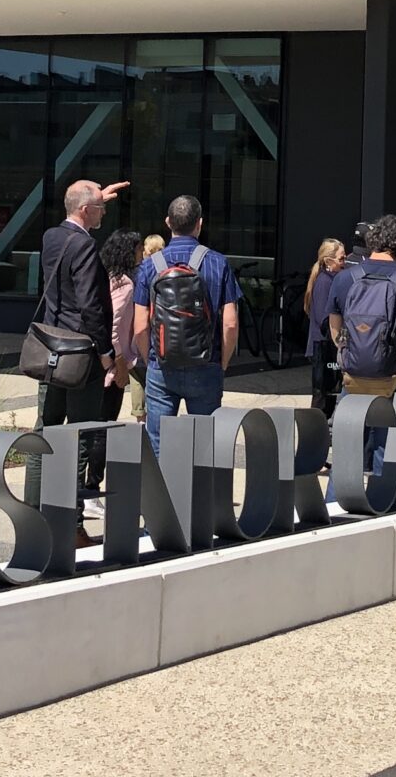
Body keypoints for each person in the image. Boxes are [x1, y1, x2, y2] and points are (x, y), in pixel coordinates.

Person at [37, 179, 129, 529]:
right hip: (81, 353)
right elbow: (91, 305)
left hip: (51, 348)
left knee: (47, 428)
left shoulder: (51, 237)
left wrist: (92, 200)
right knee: (80, 434)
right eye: (100, 208)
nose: (104, 212)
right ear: (86, 211)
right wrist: (107, 354)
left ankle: (39, 508)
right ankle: (70, 523)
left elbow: (79, 210)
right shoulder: (87, 246)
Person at [134, 195, 243, 452]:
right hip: (206, 365)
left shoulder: (150, 266)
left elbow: (140, 326)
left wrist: (151, 358)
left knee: (159, 443)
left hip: (162, 366)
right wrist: (222, 362)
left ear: (168, 222)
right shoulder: (218, 263)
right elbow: (229, 324)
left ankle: (164, 492)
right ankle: (198, 492)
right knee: (204, 446)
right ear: (200, 224)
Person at [326, 215, 396, 465]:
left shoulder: (344, 279)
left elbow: (336, 335)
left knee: (347, 459)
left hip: (354, 380)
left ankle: (337, 501)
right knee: (391, 460)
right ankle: (387, 501)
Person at [100, 227, 144, 426]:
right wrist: (119, 363)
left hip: (98, 359)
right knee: (105, 422)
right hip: (112, 365)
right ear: (128, 252)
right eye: (139, 249)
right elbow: (113, 325)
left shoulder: (103, 276)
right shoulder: (124, 283)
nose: (142, 254)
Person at [305, 235, 351, 418]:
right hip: (324, 345)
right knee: (323, 393)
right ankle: (317, 430)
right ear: (329, 261)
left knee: (330, 391)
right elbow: (324, 319)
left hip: (326, 344)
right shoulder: (325, 282)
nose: (345, 262)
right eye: (341, 258)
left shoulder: (333, 280)